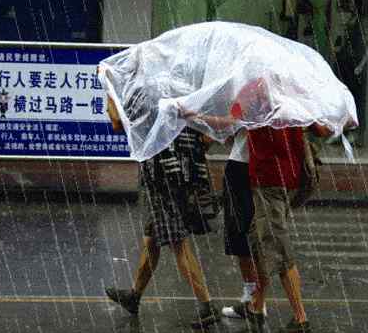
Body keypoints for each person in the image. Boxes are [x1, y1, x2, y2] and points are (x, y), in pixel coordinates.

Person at [181, 79, 333, 333]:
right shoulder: (293, 92)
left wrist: (194, 116)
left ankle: (300, 318)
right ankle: (255, 306)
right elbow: (322, 130)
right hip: (287, 179)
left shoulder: (256, 93)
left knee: (278, 250)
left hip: (267, 181)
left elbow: (227, 125)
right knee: (260, 244)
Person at [103, 92, 221, 329]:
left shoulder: (146, 96)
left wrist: (109, 90)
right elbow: (206, 139)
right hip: (180, 175)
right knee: (152, 241)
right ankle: (134, 296)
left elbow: (117, 122)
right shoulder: (183, 94)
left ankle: (207, 305)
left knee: (179, 245)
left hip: (162, 180)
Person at [220, 128, 267, 319]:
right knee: (251, 236)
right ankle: (253, 298)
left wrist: (197, 116)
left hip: (242, 167)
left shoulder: (248, 99)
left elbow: (229, 129)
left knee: (241, 236)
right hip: (262, 168)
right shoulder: (282, 101)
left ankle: (255, 300)